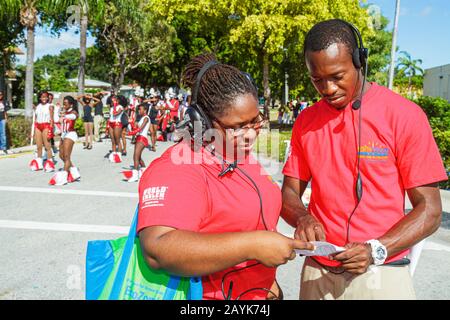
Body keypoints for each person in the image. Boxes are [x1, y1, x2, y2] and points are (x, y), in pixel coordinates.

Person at [281, 19, 448, 300]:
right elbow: (288, 193)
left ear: (360, 61)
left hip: (382, 271)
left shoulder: (405, 116)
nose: (327, 88)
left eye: (337, 76)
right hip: (317, 272)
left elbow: (430, 211)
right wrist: (302, 217)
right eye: (317, 79)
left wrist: (375, 249)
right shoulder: (306, 121)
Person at [137, 53, 314, 301]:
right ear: (202, 121)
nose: (251, 135)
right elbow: (158, 248)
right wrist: (252, 245)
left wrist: (303, 218)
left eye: (256, 121)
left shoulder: (238, 153)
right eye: (238, 126)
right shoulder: (179, 167)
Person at [49, 96, 81, 186]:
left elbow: (73, 116)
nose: (64, 105)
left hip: (70, 134)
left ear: (71, 104)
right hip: (63, 135)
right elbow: (57, 120)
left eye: (66, 103)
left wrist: (64, 116)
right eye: (63, 103)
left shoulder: (73, 112)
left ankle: (63, 177)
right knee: (61, 155)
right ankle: (74, 172)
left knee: (67, 156)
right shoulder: (64, 112)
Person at [29, 91, 55, 172]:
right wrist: (32, 132)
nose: (44, 98)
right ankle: (39, 163)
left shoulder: (50, 106)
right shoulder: (37, 106)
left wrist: (51, 130)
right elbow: (35, 119)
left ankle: (50, 163)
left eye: (45, 97)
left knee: (47, 146)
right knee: (39, 146)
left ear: (48, 98)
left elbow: (51, 119)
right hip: (38, 126)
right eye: (42, 97)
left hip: (46, 126)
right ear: (40, 98)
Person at [124, 104, 150, 182]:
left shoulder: (146, 118)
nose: (139, 111)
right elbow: (137, 129)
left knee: (135, 156)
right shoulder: (142, 118)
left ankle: (135, 176)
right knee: (138, 157)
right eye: (138, 109)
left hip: (142, 138)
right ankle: (144, 171)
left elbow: (140, 129)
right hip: (139, 138)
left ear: (145, 110)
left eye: (140, 109)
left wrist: (129, 133)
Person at [107, 95, 124, 163]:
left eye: (114, 100)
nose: (112, 101)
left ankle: (119, 155)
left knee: (117, 140)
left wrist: (114, 106)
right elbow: (110, 116)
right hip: (111, 123)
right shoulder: (111, 108)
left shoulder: (120, 107)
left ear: (118, 101)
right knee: (113, 140)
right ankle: (114, 154)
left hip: (117, 123)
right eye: (112, 100)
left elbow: (116, 114)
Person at [0, 91, 10, 155]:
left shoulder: (4, 102)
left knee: (3, 134)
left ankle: (3, 148)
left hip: (2, 119)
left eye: (1, 94)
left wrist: (6, 119)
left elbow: (5, 112)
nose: (0, 95)